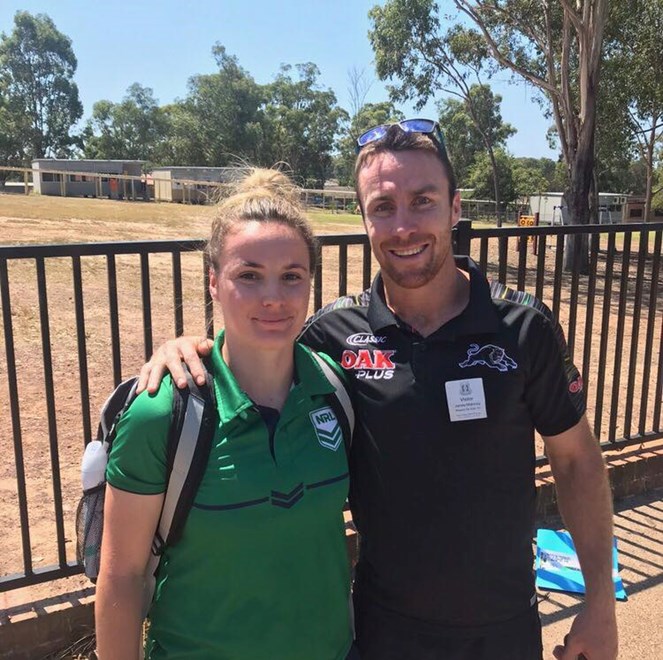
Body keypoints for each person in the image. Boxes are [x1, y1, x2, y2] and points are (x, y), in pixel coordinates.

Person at [138, 120, 618, 660]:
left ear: (455, 208)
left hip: (502, 632)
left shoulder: (524, 327)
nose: (403, 227)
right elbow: (250, 354)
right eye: (383, 207)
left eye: (423, 201)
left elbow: (576, 461)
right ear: (364, 219)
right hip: (380, 632)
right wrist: (186, 348)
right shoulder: (331, 336)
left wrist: (600, 602)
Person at [95, 168, 358, 659]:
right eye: (249, 276)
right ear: (214, 281)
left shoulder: (337, 390)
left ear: (310, 283)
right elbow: (122, 577)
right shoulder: (162, 412)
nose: (273, 297)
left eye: (291, 276)